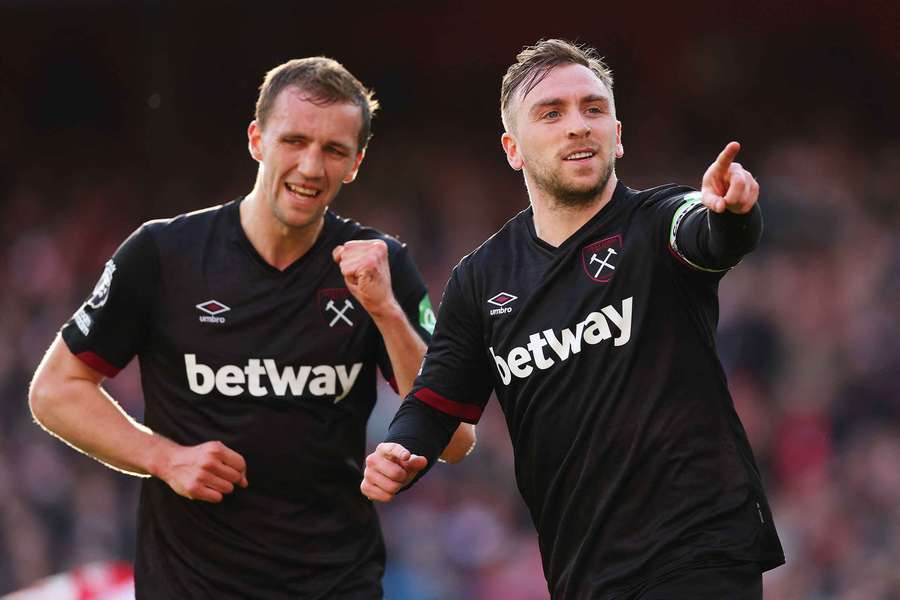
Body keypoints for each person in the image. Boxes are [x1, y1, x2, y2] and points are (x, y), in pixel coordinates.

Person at [28, 56, 475, 599]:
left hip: (333, 585)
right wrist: (163, 458)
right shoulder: (163, 254)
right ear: (257, 139)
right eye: (294, 141)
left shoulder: (380, 265)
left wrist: (385, 311)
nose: (311, 166)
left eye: (333, 150)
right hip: (189, 586)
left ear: (355, 162)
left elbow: (454, 438)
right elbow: (55, 390)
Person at [360, 39, 784, 599]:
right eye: (551, 113)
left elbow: (707, 235)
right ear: (512, 149)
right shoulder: (480, 279)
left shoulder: (658, 222)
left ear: (618, 134)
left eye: (593, 108)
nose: (578, 125)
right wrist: (400, 447)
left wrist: (731, 213)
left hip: (698, 552)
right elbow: (437, 402)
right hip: (584, 571)